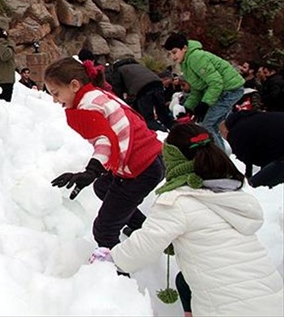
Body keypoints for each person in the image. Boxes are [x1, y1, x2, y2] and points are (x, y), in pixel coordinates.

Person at [98, 123, 284, 316]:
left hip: (229, 310)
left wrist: (110, 257)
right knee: (184, 282)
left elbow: (141, 250)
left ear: (173, 160)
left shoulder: (177, 201)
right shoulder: (232, 194)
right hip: (274, 302)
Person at [45, 57, 164, 249]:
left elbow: (105, 141)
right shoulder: (96, 94)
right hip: (152, 158)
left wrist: (91, 170)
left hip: (139, 169)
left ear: (74, 85)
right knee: (103, 187)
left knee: (104, 229)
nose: (54, 100)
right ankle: (142, 228)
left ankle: (117, 273)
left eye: (56, 93)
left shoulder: (87, 107)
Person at [163, 33, 245, 150]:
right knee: (210, 125)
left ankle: (220, 159)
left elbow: (216, 82)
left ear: (184, 48)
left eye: (174, 52)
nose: (172, 57)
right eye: (170, 54)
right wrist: (188, 107)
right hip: (221, 90)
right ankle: (222, 156)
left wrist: (205, 104)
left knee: (207, 124)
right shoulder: (185, 63)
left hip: (229, 90)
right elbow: (197, 88)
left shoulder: (196, 57)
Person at [108, 58, 174, 132]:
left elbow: (117, 89)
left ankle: (161, 133)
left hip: (142, 89)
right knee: (162, 113)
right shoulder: (137, 66)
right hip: (157, 84)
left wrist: (122, 103)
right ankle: (175, 130)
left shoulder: (118, 70)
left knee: (147, 118)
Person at [222, 111, 284, 188]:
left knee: (256, 186)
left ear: (225, 130)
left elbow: (246, 157)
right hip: (276, 141)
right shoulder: (249, 119)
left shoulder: (237, 133)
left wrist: (249, 178)